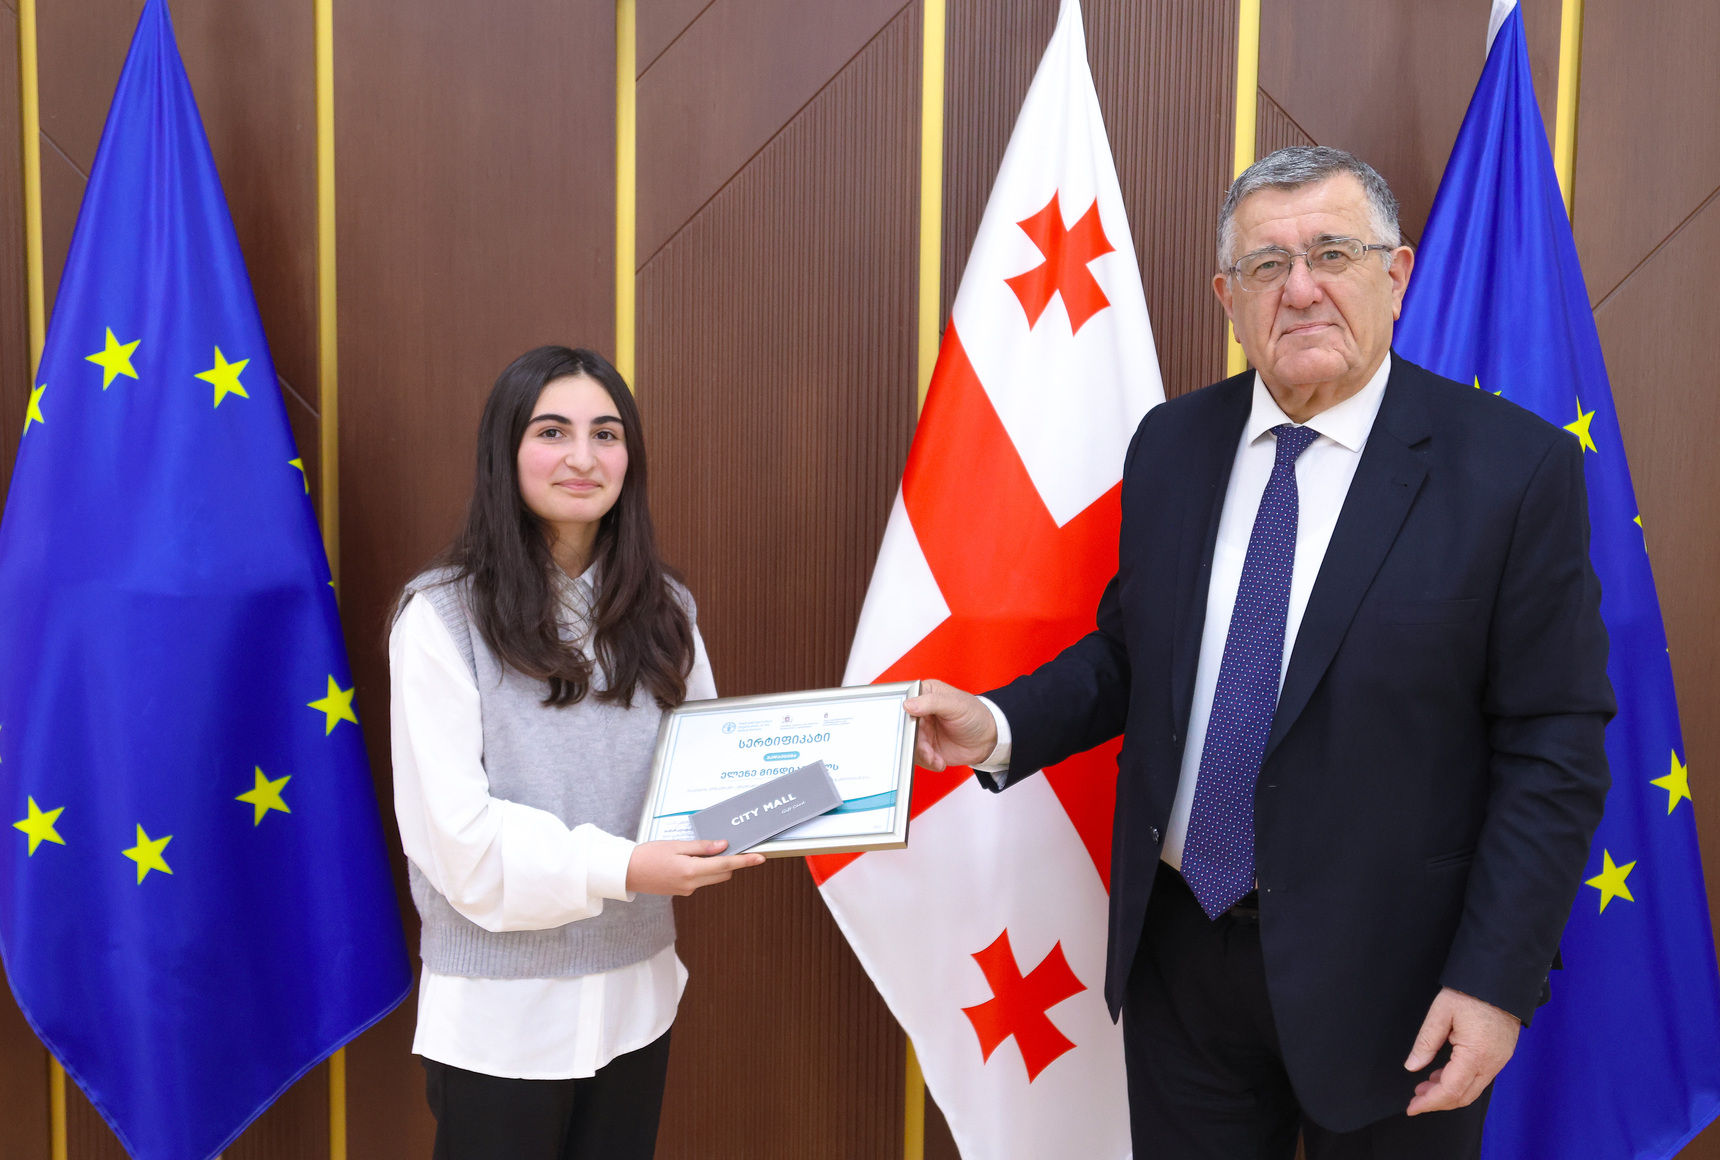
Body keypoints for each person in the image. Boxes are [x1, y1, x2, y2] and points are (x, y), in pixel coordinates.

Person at [904, 146, 1613, 1159]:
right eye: (1268, 265)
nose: (1302, 288)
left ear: (1396, 274)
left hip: (1398, 982)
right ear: (1227, 298)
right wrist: (1000, 723)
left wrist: (1495, 980)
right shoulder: (1172, 444)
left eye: (1333, 252)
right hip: (1184, 958)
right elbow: (1135, 654)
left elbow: (1553, 748)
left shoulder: (1513, 468)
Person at [388, 345, 763, 1160]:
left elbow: (710, 772)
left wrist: (830, 783)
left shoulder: (666, 610)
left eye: (607, 434)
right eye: (552, 432)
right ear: (505, 451)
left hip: (636, 997)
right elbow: (458, 842)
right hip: (501, 1017)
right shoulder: (440, 619)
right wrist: (624, 867)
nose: (584, 458)